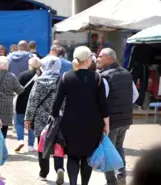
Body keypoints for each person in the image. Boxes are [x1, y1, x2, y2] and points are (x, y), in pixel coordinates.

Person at [51, 46, 110, 185]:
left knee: (72, 155)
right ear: (88, 59)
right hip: (92, 124)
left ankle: (72, 182)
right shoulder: (97, 78)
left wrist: (53, 119)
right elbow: (103, 105)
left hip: (70, 123)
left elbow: (56, 103)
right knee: (87, 156)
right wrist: (107, 124)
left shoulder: (66, 77)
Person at [97, 48, 135, 185]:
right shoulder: (126, 74)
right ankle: (121, 176)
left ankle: (111, 181)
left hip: (110, 121)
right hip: (125, 119)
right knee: (118, 147)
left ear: (109, 58)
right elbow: (134, 96)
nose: (97, 58)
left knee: (108, 151)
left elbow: (102, 100)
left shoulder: (105, 76)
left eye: (100, 56)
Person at [24, 56, 64, 183]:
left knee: (42, 144)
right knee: (58, 143)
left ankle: (43, 172)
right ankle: (59, 168)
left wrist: (28, 118)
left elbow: (32, 101)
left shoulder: (39, 81)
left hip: (41, 118)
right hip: (58, 117)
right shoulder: (62, 80)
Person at [0, 56, 24, 138]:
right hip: (6, 106)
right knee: (3, 129)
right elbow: (20, 90)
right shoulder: (12, 76)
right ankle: (1, 147)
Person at [14, 57, 40, 152]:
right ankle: (30, 145)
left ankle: (20, 140)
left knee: (19, 122)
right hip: (34, 103)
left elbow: (17, 87)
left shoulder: (23, 74)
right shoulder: (40, 75)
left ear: (29, 64)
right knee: (31, 124)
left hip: (21, 101)